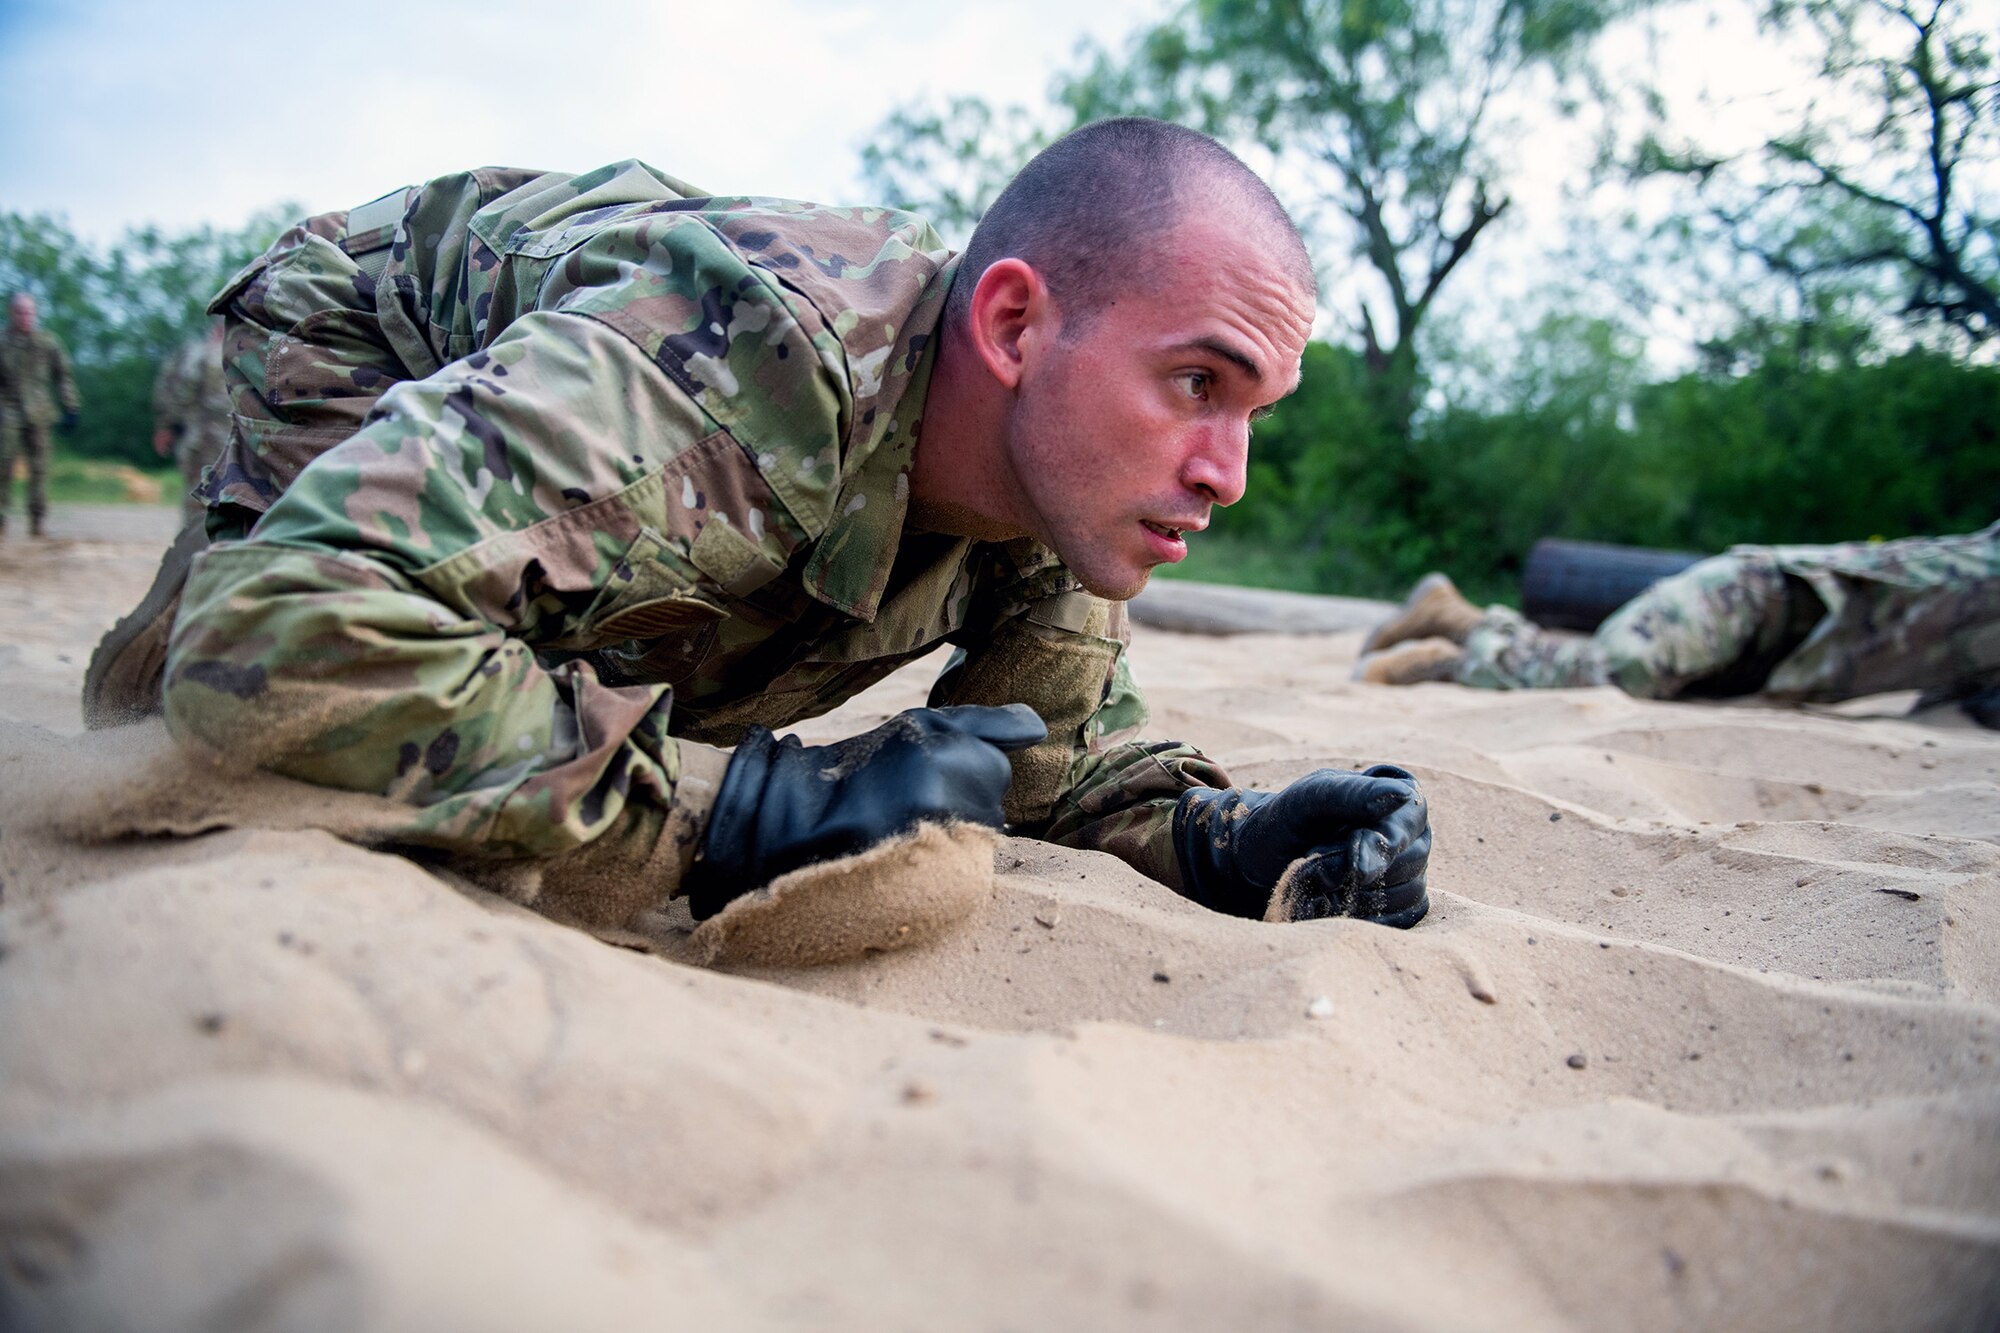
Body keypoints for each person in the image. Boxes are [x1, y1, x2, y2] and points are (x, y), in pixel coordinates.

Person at [90, 119, 1433, 936]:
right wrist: (728, 810)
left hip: (672, 450)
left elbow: (1060, 749)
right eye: (1199, 383)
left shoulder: (1062, 483)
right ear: (1017, 327)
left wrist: (1229, 840)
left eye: (1256, 408)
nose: (1230, 473)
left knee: (618, 667)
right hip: (371, 324)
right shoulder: (733, 376)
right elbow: (278, 635)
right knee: (215, 719)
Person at [1355, 525, 2000, 725]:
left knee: (1625, 675)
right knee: (1614, 674)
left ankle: (1457, 622)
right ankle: (1450, 644)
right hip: (1752, 600)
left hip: (1777, 663)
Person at [0, 292, 81, 539]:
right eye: (21, 312)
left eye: (30, 312)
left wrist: (71, 406)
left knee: (40, 469)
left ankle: (37, 521)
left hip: (40, 412)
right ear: (12, 313)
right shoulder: (3, 343)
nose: (26, 317)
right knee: (3, 466)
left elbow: (63, 376)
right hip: (8, 412)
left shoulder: (47, 343)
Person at [151, 320, 230, 527]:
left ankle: (193, 551)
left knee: (197, 499)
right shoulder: (251, 356)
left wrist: (168, 426)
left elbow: (182, 392)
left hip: (202, 440)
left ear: (216, 329)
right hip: (240, 443)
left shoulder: (200, 355)